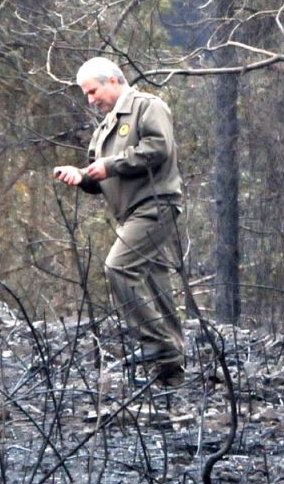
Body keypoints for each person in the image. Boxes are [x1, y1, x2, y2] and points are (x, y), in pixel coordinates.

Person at [52, 57, 186, 385]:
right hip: (130, 213)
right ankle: (171, 371)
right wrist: (80, 175)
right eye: (86, 94)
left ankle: (157, 344)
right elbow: (99, 180)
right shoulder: (104, 129)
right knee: (155, 283)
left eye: (93, 91)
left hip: (155, 204)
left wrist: (112, 164)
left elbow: (158, 148)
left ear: (113, 81)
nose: (90, 99)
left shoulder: (147, 106)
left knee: (119, 267)